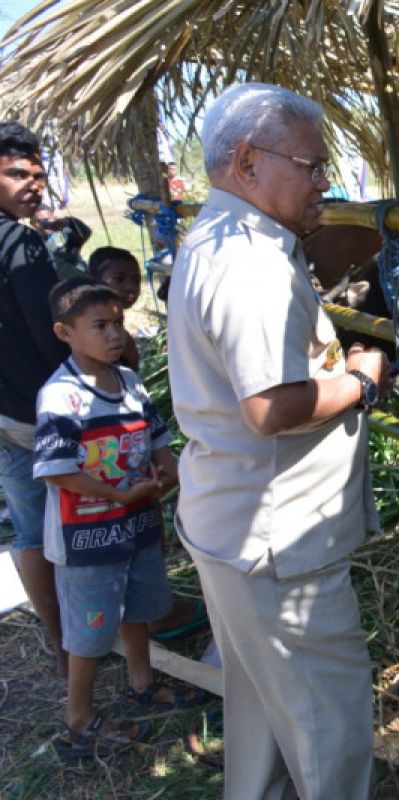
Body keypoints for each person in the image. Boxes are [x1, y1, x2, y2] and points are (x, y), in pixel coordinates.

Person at [168, 82, 389, 799]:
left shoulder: (216, 237)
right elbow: (267, 406)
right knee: (330, 723)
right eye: (311, 164)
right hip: (278, 543)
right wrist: (361, 381)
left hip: (231, 524)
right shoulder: (251, 262)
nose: (325, 181)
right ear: (246, 160)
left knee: (262, 704)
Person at [34, 277, 207, 758]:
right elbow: (58, 473)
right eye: (100, 326)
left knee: (136, 610)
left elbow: (159, 446)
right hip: (86, 541)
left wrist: (170, 477)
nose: (116, 335)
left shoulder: (129, 383)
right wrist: (120, 492)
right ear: (64, 332)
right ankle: (78, 719)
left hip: (136, 527)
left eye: (119, 323)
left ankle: (142, 682)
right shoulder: (61, 397)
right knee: (90, 632)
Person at [87, 246, 211, 642]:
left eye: (133, 280)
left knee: (146, 530)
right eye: (117, 280)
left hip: (135, 451)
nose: (128, 288)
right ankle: (147, 613)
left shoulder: (120, 337)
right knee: (130, 536)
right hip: (116, 461)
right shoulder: (103, 347)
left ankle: (149, 608)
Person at [0, 120, 69, 677]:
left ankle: (62, 643)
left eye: (39, 175)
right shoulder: (21, 243)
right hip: (38, 411)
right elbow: (49, 334)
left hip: (4, 412)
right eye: (18, 173)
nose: (33, 185)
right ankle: (106, 626)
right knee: (80, 523)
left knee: (28, 529)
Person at [33, 204, 91, 280]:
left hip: (79, 281)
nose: (44, 224)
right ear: (33, 223)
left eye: (46, 220)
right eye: (39, 222)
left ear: (54, 218)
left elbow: (85, 232)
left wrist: (69, 221)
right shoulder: (31, 243)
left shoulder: (66, 234)